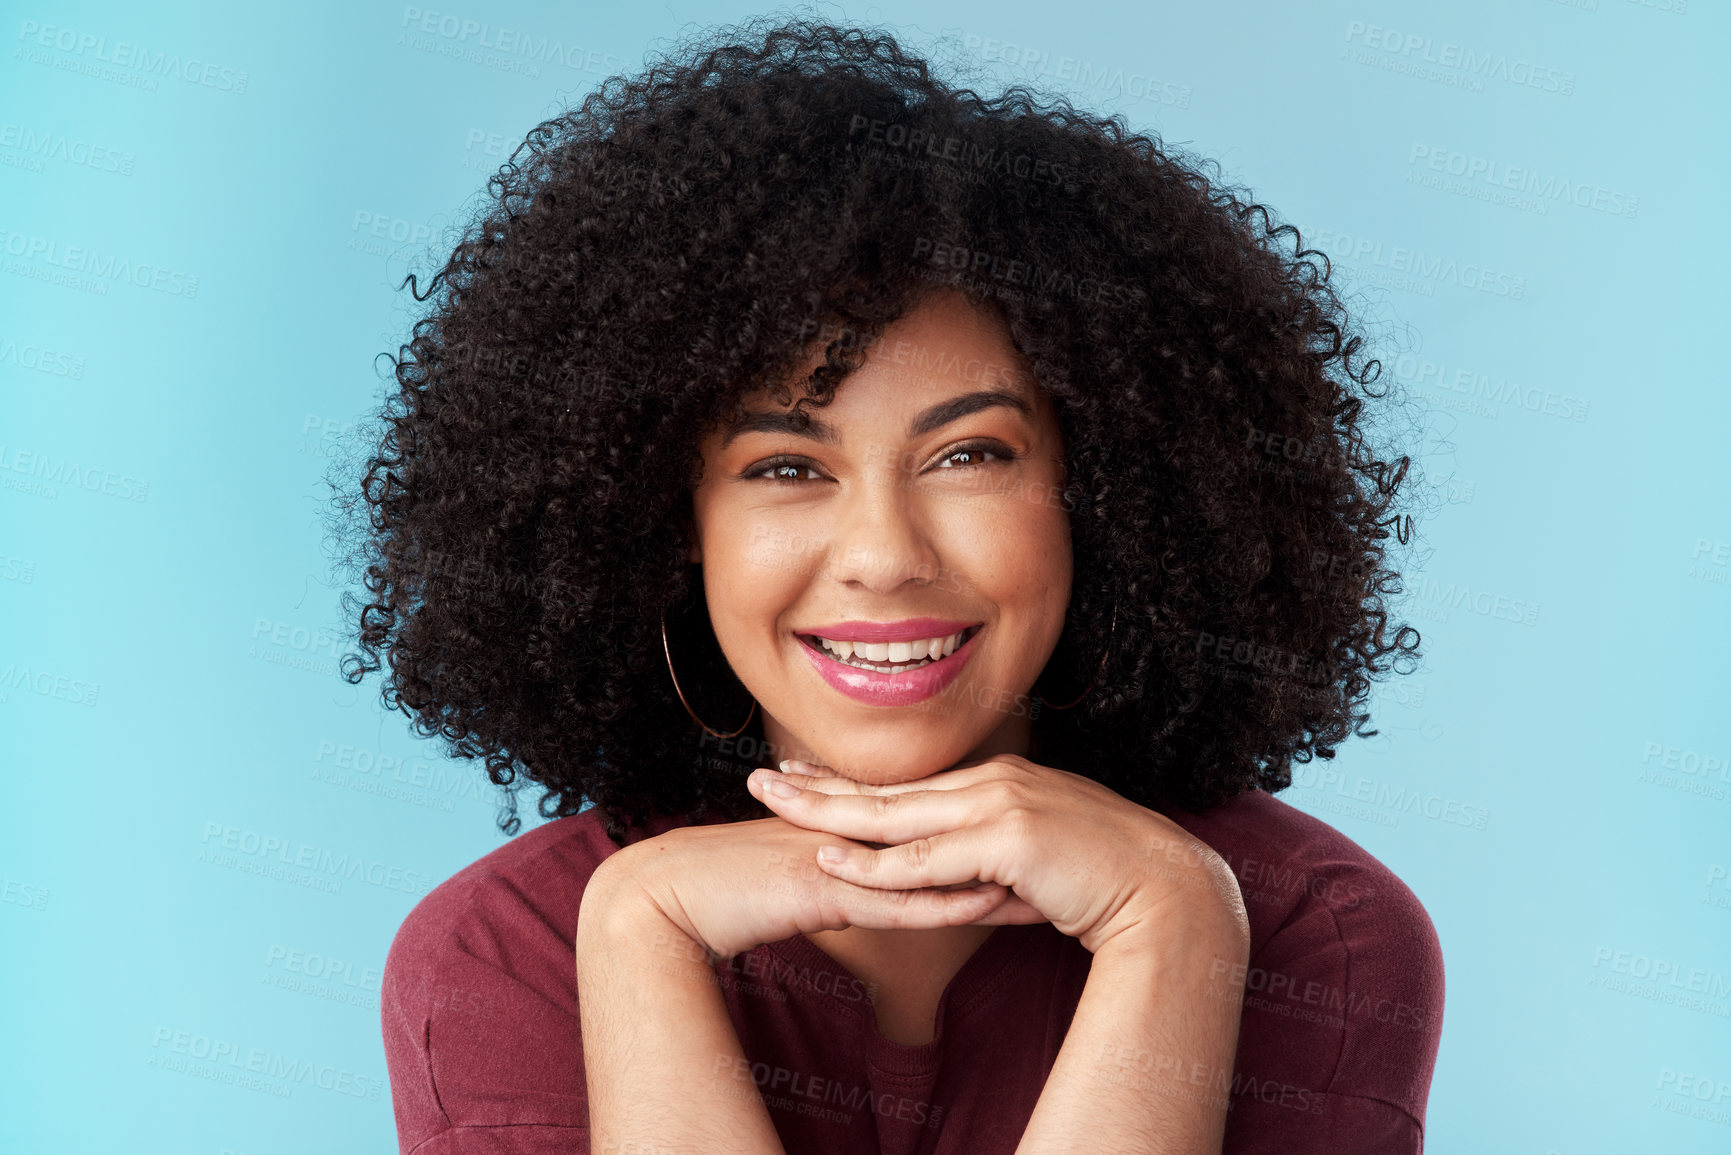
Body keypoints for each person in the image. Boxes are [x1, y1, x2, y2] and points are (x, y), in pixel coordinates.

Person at [341, 16, 1443, 1154]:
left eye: (970, 455)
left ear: (1104, 488)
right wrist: (636, 936)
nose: (883, 553)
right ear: (675, 522)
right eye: (785, 467)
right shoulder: (508, 955)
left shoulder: (1315, 937)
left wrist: (1171, 927)